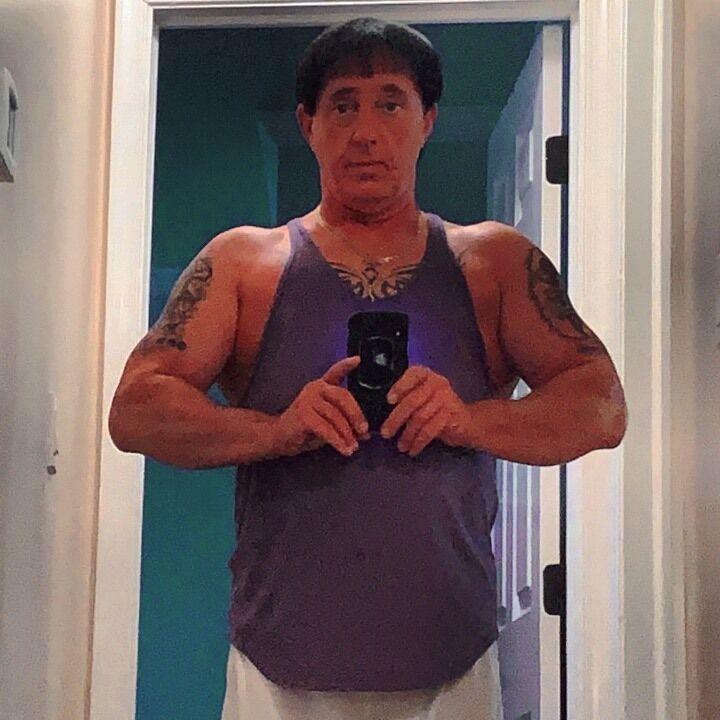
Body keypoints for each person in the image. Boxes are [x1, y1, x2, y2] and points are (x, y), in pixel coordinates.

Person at [108, 17, 628, 720]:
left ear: (427, 120)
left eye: (390, 103)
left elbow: (600, 405)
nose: (366, 131)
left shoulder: (494, 263)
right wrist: (275, 431)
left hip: (451, 666)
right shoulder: (243, 264)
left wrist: (467, 419)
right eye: (343, 105)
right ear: (309, 123)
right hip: (278, 672)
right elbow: (137, 408)